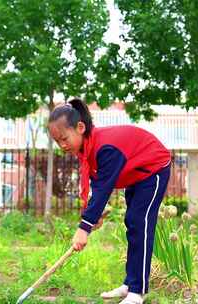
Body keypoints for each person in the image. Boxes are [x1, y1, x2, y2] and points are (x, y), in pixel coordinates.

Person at [48, 98, 171, 304]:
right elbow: (98, 183)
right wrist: (96, 212)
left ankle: (137, 293)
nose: (62, 145)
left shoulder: (105, 148)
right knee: (132, 224)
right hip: (136, 173)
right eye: (57, 141)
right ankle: (130, 284)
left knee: (139, 223)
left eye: (64, 138)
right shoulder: (88, 148)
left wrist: (84, 227)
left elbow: (104, 187)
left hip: (153, 168)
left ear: (80, 127)